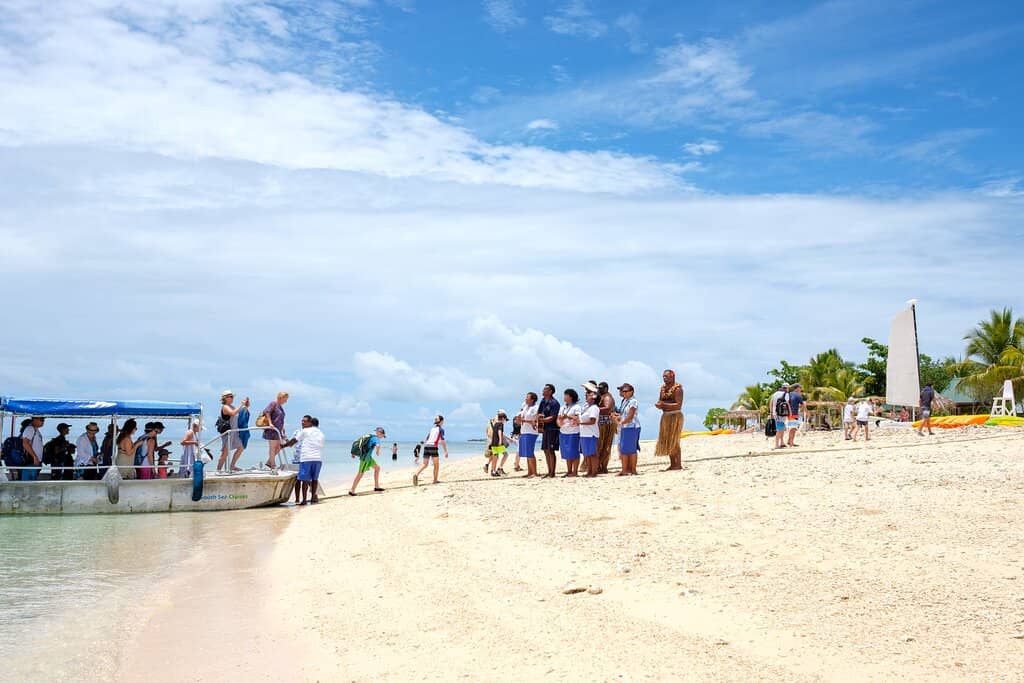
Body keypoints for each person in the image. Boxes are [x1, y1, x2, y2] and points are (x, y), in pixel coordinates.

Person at [288, 415, 325, 504]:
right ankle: (297, 499)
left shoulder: (310, 432)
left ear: (310, 423)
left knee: (307, 480)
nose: (302, 422)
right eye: (302, 421)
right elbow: (292, 441)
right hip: (298, 458)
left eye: (305, 421)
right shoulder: (298, 431)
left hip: (306, 458)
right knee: (298, 480)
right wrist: (285, 442)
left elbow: (293, 441)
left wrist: (283, 446)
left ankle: (310, 497)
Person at [654, 370, 685, 470]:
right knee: (668, 440)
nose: (664, 378)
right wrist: (659, 405)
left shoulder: (678, 389)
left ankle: (678, 464)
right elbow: (661, 400)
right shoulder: (663, 388)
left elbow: (678, 405)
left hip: (675, 416)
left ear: (672, 377)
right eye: (663, 376)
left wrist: (664, 405)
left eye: (666, 376)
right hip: (665, 416)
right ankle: (672, 464)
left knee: (674, 440)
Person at [216, 390, 248, 472]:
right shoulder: (225, 407)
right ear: (225, 398)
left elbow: (240, 413)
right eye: (230, 396)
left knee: (241, 447)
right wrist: (241, 405)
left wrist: (246, 406)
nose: (232, 398)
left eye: (232, 396)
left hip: (234, 432)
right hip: (228, 433)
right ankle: (218, 470)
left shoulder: (233, 406)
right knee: (225, 453)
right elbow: (233, 413)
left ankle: (232, 466)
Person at [350, 427, 386, 495]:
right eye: (382, 436)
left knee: (377, 468)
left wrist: (353, 453)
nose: (382, 437)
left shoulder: (370, 437)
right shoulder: (376, 438)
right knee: (360, 474)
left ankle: (376, 486)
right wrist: (377, 452)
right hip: (365, 459)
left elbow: (359, 443)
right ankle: (352, 490)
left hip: (369, 458)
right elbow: (378, 446)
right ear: (380, 433)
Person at [414, 415, 449, 486]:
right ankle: (435, 480)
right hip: (433, 447)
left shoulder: (432, 429)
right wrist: (445, 451)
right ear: (442, 421)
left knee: (424, 464)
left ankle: (416, 474)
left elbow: (427, 438)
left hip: (426, 446)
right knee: (436, 465)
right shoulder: (441, 430)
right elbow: (442, 441)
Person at [615, 383, 641, 476]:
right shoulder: (625, 401)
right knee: (624, 448)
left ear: (631, 391)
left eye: (625, 391)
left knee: (631, 449)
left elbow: (631, 415)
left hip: (631, 426)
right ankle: (625, 469)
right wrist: (618, 417)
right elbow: (624, 415)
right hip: (625, 426)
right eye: (622, 391)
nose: (623, 393)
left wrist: (622, 422)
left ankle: (632, 469)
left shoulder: (633, 401)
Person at [260, 391, 289, 469]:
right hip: (272, 429)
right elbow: (267, 412)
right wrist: (270, 423)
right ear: (281, 397)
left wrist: (283, 429)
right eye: (285, 399)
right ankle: (273, 465)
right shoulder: (273, 403)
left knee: (279, 447)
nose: (286, 401)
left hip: (278, 430)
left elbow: (281, 419)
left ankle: (269, 462)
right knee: (273, 447)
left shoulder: (280, 406)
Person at [557, 389, 582, 477]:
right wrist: (560, 420)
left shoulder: (577, 407)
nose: (564, 397)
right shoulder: (562, 407)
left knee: (574, 452)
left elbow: (578, 417)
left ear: (570, 396)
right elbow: (558, 418)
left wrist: (567, 416)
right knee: (567, 452)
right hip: (563, 431)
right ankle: (569, 471)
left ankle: (575, 471)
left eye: (565, 395)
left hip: (574, 432)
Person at [514, 392, 540, 478]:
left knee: (530, 452)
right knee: (526, 453)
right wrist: (519, 420)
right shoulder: (525, 407)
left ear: (532, 399)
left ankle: (534, 473)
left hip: (531, 432)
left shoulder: (535, 408)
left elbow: (535, 420)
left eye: (527, 397)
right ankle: (530, 472)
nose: (525, 399)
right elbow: (519, 419)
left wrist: (523, 420)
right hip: (524, 431)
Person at [537, 384, 560, 478]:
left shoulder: (554, 403)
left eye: (545, 389)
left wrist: (542, 420)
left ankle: (552, 472)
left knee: (551, 450)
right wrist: (539, 419)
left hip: (552, 429)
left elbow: (553, 417)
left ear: (550, 391)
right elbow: (539, 412)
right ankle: (549, 470)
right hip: (545, 428)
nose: (543, 390)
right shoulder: (543, 401)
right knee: (546, 450)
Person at [596, 381, 617, 475]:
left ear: (606, 389)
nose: (599, 390)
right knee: (600, 446)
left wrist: (594, 409)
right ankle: (600, 465)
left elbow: (607, 408)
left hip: (606, 424)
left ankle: (603, 466)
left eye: (601, 388)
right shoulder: (602, 397)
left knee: (604, 446)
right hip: (602, 423)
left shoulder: (607, 397)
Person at [579, 390, 600, 477]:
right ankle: (589, 471)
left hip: (591, 433)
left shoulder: (594, 408)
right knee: (587, 454)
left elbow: (593, 421)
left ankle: (594, 472)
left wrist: (580, 423)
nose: (587, 395)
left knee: (592, 454)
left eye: (589, 395)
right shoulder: (586, 407)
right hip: (584, 433)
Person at [21, 416, 45, 481]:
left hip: (35, 462)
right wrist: (34, 457)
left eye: (44, 419)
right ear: (34, 419)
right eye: (42, 419)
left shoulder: (35, 430)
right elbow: (25, 443)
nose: (43, 421)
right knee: (29, 485)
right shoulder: (30, 429)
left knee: (32, 484)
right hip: (31, 461)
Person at [487, 410, 509, 477]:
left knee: (495, 457)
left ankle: (493, 471)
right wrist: (500, 440)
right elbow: (499, 432)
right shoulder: (500, 424)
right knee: (506, 454)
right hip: (497, 443)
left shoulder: (495, 424)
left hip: (493, 443)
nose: (505, 421)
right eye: (505, 419)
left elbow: (494, 433)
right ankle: (499, 468)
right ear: (503, 419)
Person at [769, 383, 789, 449]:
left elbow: (771, 403)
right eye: (788, 388)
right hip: (781, 413)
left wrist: (771, 413)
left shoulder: (775, 394)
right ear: (786, 388)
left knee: (782, 428)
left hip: (776, 413)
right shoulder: (786, 394)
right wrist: (790, 412)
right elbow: (787, 404)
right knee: (779, 429)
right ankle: (776, 445)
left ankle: (782, 442)